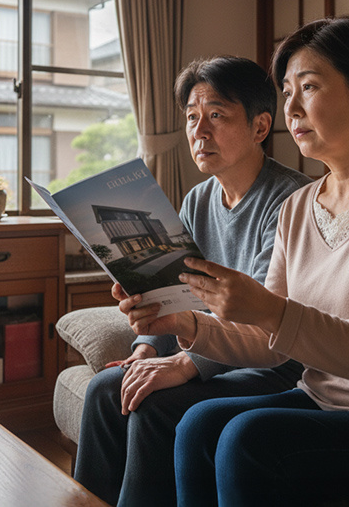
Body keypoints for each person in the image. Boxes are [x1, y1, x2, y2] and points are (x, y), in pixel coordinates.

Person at [121, 18, 349, 506]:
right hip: (325, 401)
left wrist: (269, 311)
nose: (289, 108)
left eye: (308, 88)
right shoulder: (299, 206)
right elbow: (271, 345)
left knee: (246, 440)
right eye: (286, 91)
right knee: (197, 425)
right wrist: (184, 322)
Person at [74, 55, 311, 507]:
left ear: (261, 128)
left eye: (216, 116)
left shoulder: (290, 201)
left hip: (270, 365)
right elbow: (173, 296)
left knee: (154, 403)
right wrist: (143, 351)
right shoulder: (198, 200)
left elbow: (263, 328)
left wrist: (182, 367)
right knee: (107, 389)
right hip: (206, 345)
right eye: (191, 118)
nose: (199, 132)